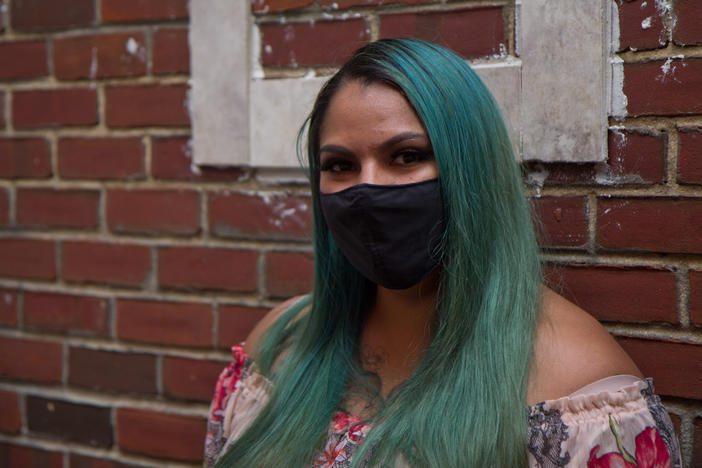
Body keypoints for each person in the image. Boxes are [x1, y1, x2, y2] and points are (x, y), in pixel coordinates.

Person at [204, 39, 680, 467]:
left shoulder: (578, 387)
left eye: (407, 156)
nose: (368, 187)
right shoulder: (281, 348)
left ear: (470, 170)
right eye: (340, 165)